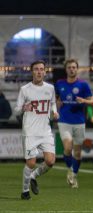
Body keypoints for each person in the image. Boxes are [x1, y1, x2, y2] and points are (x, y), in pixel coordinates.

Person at [15, 60, 58, 200]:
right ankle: (25, 191)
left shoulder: (50, 88)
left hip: (45, 131)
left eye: (41, 69)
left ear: (45, 72)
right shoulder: (25, 89)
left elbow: (52, 103)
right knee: (31, 163)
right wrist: (23, 108)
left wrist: (55, 112)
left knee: (50, 161)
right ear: (32, 72)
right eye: (36, 69)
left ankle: (33, 176)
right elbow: (15, 110)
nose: (39, 72)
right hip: (30, 131)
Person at [55, 59, 93, 188]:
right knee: (67, 148)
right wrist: (56, 106)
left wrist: (83, 100)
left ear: (76, 69)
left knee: (77, 153)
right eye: (69, 67)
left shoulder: (83, 85)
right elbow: (56, 99)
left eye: (73, 67)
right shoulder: (59, 83)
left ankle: (74, 175)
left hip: (79, 122)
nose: (71, 69)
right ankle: (70, 169)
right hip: (64, 121)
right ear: (66, 69)